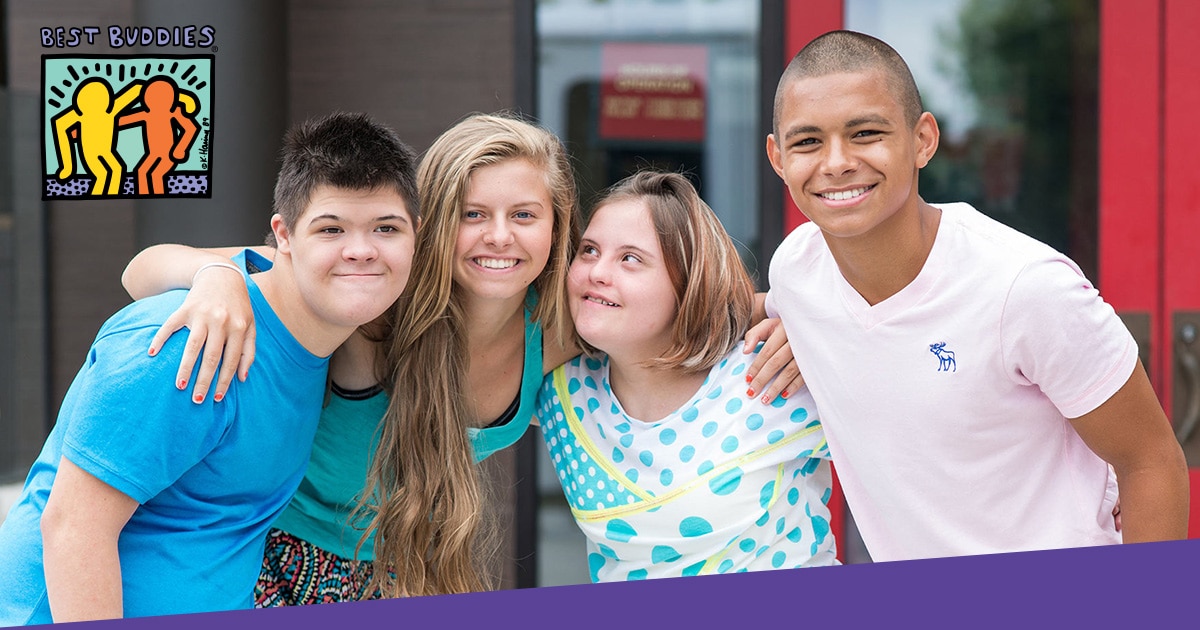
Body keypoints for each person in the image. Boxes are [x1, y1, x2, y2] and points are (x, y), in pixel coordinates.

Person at [121, 112, 584, 602]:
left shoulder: (559, 333)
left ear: (557, 225)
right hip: (269, 559)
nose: (499, 236)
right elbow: (142, 270)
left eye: (524, 215)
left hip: (405, 567)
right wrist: (219, 275)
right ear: (431, 224)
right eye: (473, 215)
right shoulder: (368, 295)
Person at [763, 30, 1188, 561]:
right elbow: (763, 308)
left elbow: (1151, 462)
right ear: (778, 158)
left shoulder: (1026, 287)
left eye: (865, 133)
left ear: (923, 140)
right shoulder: (797, 273)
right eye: (807, 142)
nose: (836, 162)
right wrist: (785, 325)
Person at [0, 111, 419, 624]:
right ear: (285, 236)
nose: (360, 251)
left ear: (415, 236)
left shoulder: (317, 340)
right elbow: (72, 527)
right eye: (331, 229)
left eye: (386, 228)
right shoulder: (189, 340)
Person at [538, 171, 837, 582]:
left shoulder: (773, 370)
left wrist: (818, 328)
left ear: (689, 284)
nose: (597, 272)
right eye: (589, 251)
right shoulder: (560, 391)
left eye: (630, 259)